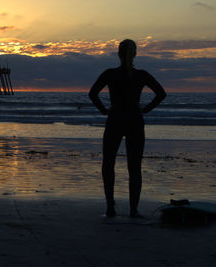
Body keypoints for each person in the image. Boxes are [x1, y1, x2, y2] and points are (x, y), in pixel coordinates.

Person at [89, 39, 166, 217]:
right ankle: (133, 209)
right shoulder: (142, 75)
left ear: (119, 54)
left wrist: (103, 110)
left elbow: (92, 94)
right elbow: (161, 94)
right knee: (134, 166)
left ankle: (110, 207)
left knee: (108, 164)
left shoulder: (110, 73)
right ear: (135, 54)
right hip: (134, 120)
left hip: (115, 118)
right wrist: (144, 109)